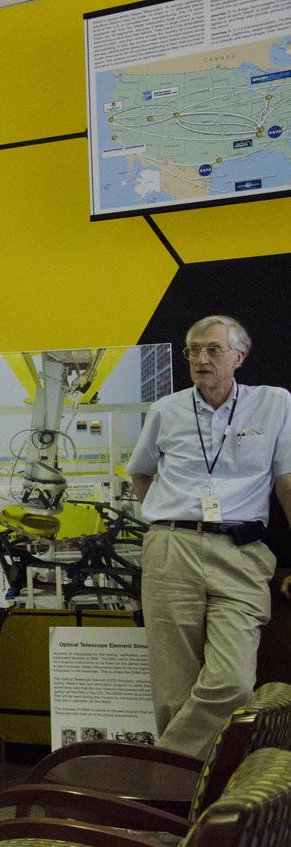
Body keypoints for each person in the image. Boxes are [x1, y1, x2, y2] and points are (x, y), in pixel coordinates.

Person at [127, 315, 291, 758]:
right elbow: (141, 473)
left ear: (239, 357)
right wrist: (168, 520)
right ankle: (186, 809)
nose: (200, 359)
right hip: (171, 549)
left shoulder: (274, 404)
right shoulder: (167, 409)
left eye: (213, 350)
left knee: (232, 682)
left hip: (240, 552)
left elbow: (286, 482)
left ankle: (161, 776)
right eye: (193, 350)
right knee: (173, 689)